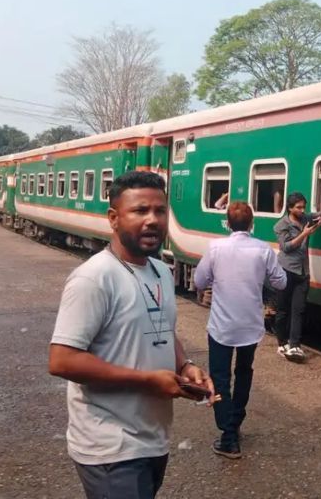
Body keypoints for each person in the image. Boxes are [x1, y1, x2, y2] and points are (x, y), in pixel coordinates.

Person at [48, 171, 215, 499]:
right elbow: (62, 360)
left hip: (152, 438)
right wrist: (147, 380)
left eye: (160, 211)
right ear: (113, 217)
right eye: (140, 211)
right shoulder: (94, 278)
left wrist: (185, 367)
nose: (153, 220)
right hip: (110, 446)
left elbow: (163, 329)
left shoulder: (161, 273)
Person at [194, 201, 287, 459]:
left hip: (221, 327)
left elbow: (199, 280)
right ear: (251, 224)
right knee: (244, 372)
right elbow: (280, 282)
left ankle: (228, 436)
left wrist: (218, 278)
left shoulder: (215, 247)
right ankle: (236, 422)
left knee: (220, 379)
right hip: (250, 326)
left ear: (227, 223)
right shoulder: (263, 249)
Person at [273, 192, 321, 362]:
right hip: (286, 270)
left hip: (303, 272)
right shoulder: (280, 225)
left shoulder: (306, 218)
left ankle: (295, 345)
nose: (302, 210)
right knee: (283, 309)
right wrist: (304, 234)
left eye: (303, 207)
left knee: (298, 309)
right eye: (298, 207)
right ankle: (281, 342)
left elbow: (319, 214)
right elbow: (286, 247)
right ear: (290, 208)